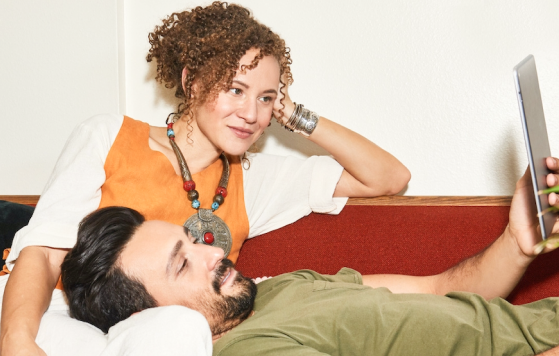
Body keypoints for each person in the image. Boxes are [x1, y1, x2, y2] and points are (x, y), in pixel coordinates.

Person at [0, 2, 410, 355]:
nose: (252, 113)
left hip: (151, 330)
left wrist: (294, 115)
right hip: (51, 309)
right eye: (235, 89)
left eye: (266, 98)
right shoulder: (109, 136)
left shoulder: (254, 179)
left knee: (181, 330)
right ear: (192, 82)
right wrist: (17, 342)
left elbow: (389, 177)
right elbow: (43, 253)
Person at [61, 159, 559, 356]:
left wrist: (516, 241)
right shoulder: (251, 350)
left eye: (193, 241)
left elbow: (439, 290)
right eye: (182, 263)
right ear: (154, 319)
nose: (210, 251)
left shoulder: (276, 287)